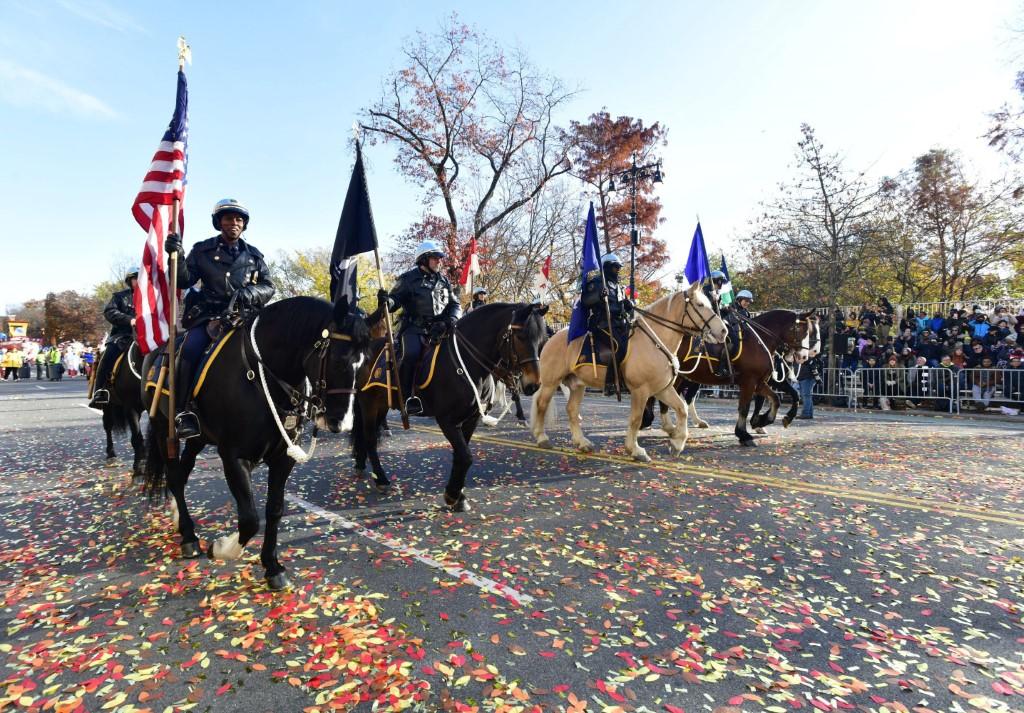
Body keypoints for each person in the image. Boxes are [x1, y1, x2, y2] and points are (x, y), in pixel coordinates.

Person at [164, 198, 275, 439]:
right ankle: (184, 413)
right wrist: (177, 256)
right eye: (228, 218)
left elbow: (269, 286)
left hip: (243, 318)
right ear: (218, 222)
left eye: (239, 219)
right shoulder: (202, 250)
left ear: (244, 224)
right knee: (189, 351)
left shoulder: (254, 256)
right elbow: (184, 280)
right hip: (209, 317)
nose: (234, 223)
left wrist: (250, 292)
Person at [377, 239, 461, 416]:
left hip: (440, 329)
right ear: (424, 259)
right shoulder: (408, 279)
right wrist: (386, 300)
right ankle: (408, 398)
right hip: (413, 329)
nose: (439, 261)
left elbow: (455, 304)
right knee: (412, 354)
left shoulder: (443, 280)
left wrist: (448, 321)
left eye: (440, 258)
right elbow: (394, 303)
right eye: (435, 257)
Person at [580, 253, 633, 394]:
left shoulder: (619, 287)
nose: (618, 270)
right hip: (602, 324)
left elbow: (622, 305)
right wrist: (598, 296)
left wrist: (628, 305)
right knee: (619, 346)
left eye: (619, 267)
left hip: (619, 324)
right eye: (616, 267)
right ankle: (609, 382)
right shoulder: (597, 282)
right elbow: (585, 300)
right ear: (607, 267)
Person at [88, 267, 139, 407]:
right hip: (123, 335)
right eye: (136, 278)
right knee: (108, 354)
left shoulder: (152, 298)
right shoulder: (120, 297)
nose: (139, 281)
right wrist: (129, 320)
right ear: (130, 280)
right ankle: (100, 391)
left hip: (146, 336)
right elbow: (109, 311)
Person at [715, 289, 752, 380]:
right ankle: (721, 367)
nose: (747, 303)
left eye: (749, 302)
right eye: (745, 301)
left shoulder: (746, 313)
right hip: (726, 330)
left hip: (739, 333)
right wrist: (723, 307)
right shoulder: (730, 307)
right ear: (739, 300)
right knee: (733, 343)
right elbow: (718, 313)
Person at [795, 354, 821, 419]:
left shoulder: (807, 357)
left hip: (807, 378)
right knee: (807, 396)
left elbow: (813, 367)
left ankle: (806, 413)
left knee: (806, 396)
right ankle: (809, 413)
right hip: (804, 377)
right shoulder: (805, 356)